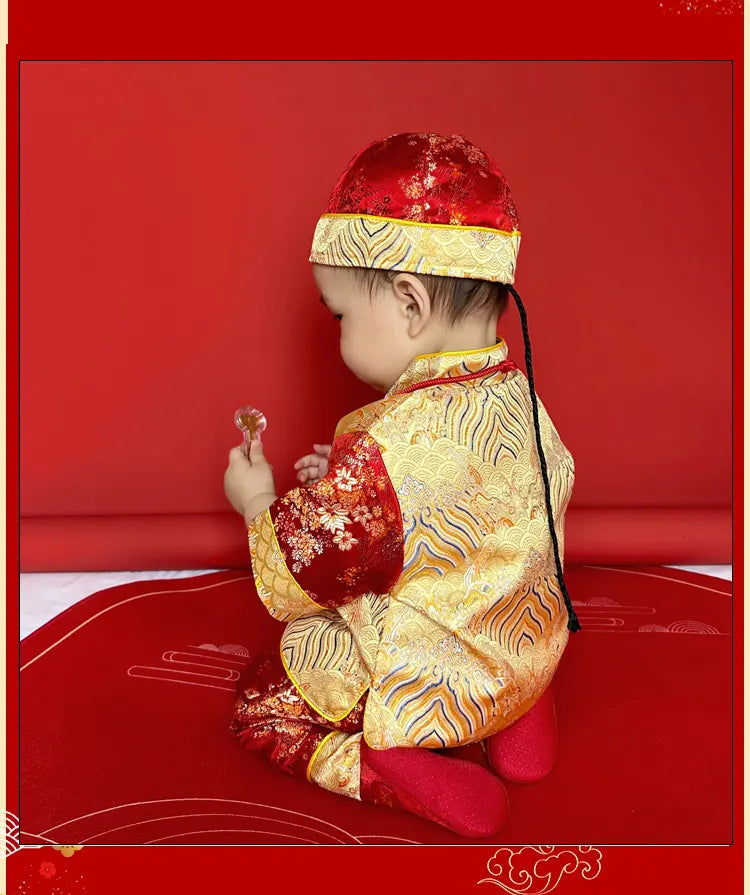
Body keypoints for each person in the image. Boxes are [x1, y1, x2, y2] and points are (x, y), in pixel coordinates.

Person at [223, 132, 581, 839]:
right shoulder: (523, 400)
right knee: (509, 598)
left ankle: (388, 761)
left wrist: (257, 500)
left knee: (263, 703)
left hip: (437, 677)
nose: (338, 331)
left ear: (409, 305)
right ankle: (521, 707)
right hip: (521, 640)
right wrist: (349, 479)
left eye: (341, 315)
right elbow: (462, 498)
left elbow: (307, 568)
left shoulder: (387, 452)